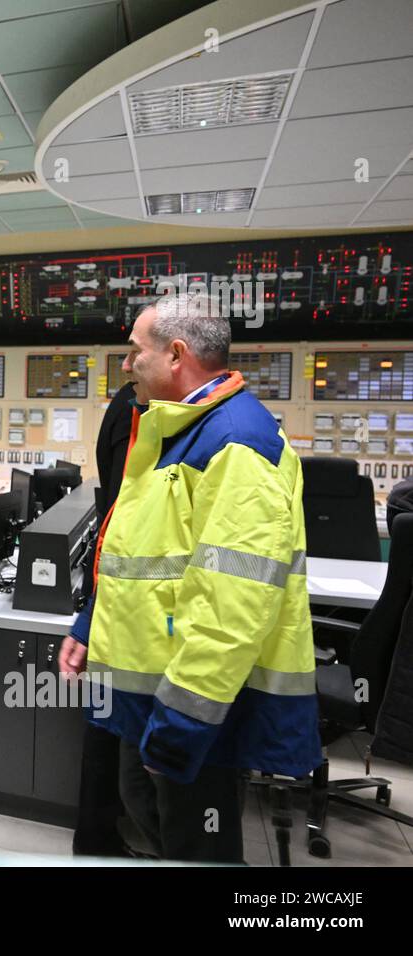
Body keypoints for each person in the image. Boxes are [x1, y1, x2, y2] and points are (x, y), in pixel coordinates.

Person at [58, 291, 321, 863]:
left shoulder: (236, 444)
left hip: (189, 701)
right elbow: (137, 551)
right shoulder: (174, 430)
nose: (126, 365)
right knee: (144, 806)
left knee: (196, 842)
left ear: (176, 354)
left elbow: (234, 606)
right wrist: (89, 621)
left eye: (134, 352)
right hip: (146, 687)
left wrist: (183, 722)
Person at [71, 377, 135, 857]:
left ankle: (100, 838)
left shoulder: (131, 410)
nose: (128, 363)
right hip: (127, 620)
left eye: (136, 351)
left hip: (121, 612)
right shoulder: (132, 408)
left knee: (112, 738)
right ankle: (102, 841)